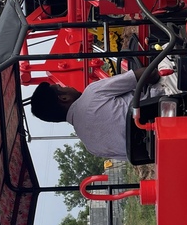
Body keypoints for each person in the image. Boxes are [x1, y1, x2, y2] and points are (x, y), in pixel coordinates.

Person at [30, 68, 163, 160]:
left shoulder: (92, 147)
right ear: (64, 98)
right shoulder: (92, 93)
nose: (68, 86)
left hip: (164, 148)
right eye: (62, 87)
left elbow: (137, 155)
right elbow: (149, 73)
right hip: (170, 106)